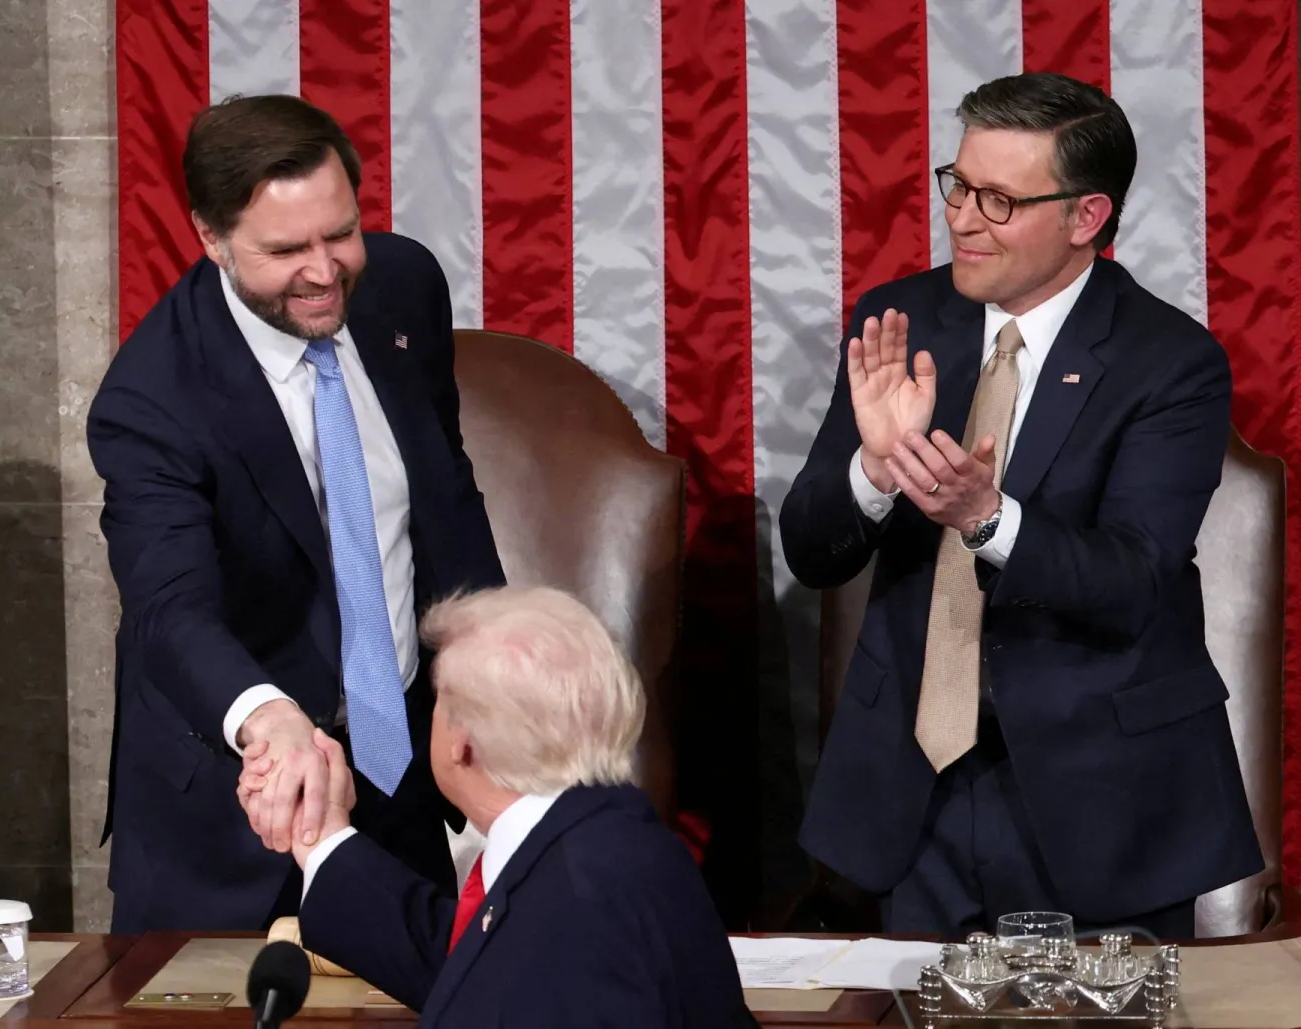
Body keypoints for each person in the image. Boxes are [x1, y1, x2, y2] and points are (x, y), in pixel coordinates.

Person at [781, 72, 1262, 938]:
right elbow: (814, 551)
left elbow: (1132, 576)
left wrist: (987, 517)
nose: (962, 217)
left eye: (998, 200)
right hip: (910, 794)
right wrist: (876, 468)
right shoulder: (900, 319)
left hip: (1100, 799)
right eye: (958, 185)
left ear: (1086, 218)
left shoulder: (1170, 363)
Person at [87, 94, 504, 933]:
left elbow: (443, 500)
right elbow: (169, 609)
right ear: (211, 238)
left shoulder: (402, 289)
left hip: (399, 785)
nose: (325, 270)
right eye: (285, 250)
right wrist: (267, 717)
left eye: (339, 233)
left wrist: (499, 672)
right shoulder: (152, 400)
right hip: (237, 817)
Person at [240, 586, 755, 1027]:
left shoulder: (580, 907)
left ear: (462, 742)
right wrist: (322, 836)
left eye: (437, 696)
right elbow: (471, 962)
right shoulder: (613, 844)